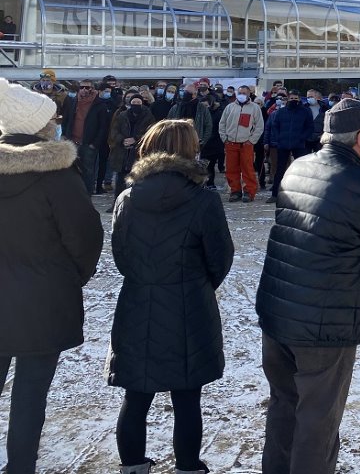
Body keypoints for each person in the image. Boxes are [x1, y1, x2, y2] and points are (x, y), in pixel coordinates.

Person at [256, 99, 360, 474]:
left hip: (279, 309)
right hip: (325, 322)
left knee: (284, 407)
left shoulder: (298, 166)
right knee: (317, 420)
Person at [108, 120, 234, 474]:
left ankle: (133, 466)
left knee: (136, 396)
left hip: (138, 304)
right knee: (187, 396)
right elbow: (220, 257)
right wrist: (195, 284)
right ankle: (189, 466)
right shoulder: (203, 199)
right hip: (189, 307)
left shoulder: (128, 198)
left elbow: (121, 255)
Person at [0, 79, 103, 474]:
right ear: (43, 126)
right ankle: (20, 466)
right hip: (42, 302)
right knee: (30, 392)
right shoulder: (58, 177)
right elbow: (85, 237)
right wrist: (68, 278)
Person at [265, 90, 315, 202]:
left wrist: (303, 137)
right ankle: (275, 194)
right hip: (283, 144)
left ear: (299, 99)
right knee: (280, 170)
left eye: (296, 99)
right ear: (288, 99)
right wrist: (279, 138)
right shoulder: (281, 112)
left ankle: (303, 194)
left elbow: (310, 127)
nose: (294, 100)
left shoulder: (305, 112)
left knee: (302, 170)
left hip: (299, 144)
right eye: (292, 98)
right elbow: (275, 125)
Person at [219, 85, 265, 203]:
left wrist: (251, 141)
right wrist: (225, 138)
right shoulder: (229, 107)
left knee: (248, 169)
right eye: (240, 92)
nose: (242, 95)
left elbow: (259, 126)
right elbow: (222, 124)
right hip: (231, 144)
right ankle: (235, 191)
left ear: (249, 94)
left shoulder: (255, 108)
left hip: (246, 144)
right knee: (231, 169)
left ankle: (249, 192)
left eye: (244, 93)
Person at [108, 92, 156, 198]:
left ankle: (135, 201)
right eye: (134, 102)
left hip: (138, 151)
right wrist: (122, 140)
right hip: (122, 151)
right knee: (120, 179)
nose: (136, 104)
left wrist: (135, 139)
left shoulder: (148, 116)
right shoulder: (122, 115)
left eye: (138, 102)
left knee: (137, 178)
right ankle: (117, 201)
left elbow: (150, 133)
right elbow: (114, 131)